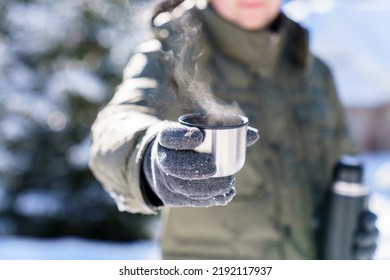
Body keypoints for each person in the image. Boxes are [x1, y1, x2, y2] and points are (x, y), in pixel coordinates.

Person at [89, 0, 378, 259]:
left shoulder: (314, 72)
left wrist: (353, 225)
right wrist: (148, 155)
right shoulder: (170, 52)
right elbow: (118, 122)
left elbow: (346, 161)